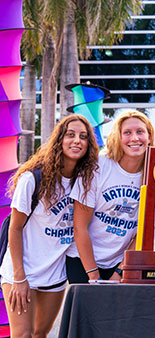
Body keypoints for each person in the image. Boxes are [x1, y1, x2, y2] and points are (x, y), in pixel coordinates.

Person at [0, 115, 98, 337]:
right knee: (23, 335)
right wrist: (19, 278)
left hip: (54, 273)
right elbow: (15, 229)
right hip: (22, 270)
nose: (77, 141)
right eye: (70, 135)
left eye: (83, 137)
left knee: (40, 334)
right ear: (59, 140)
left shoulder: (85, 180)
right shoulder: (33, 179)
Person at [67, 110, 155, 283]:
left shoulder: (154, 173)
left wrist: (121, 270)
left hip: (118, 263)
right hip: (83, 260)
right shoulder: (98, 166)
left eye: (140, 132)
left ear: (150, 136)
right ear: (118, 137)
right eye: (127, 133)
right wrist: (94, 276)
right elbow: (79, 228)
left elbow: (143, 232)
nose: (135, 138)